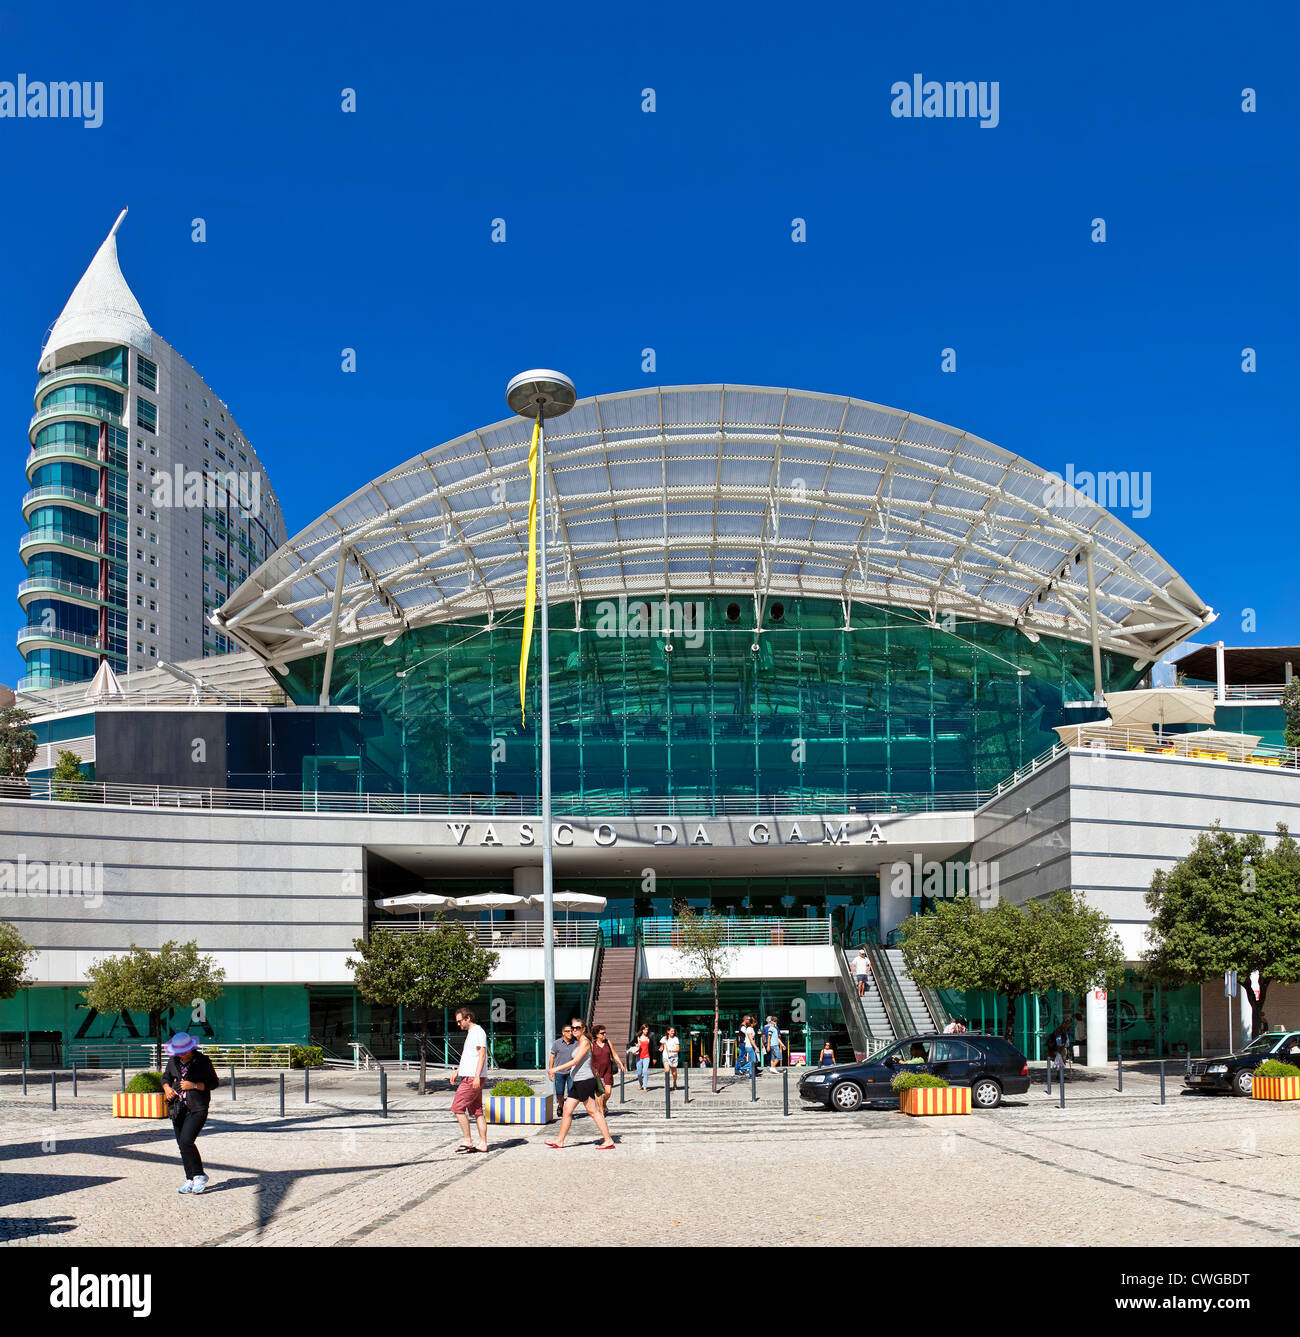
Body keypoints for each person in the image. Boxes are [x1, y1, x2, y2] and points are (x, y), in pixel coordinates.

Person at [162, 1032, 220, 1195]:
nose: (179, 1053)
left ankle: (200, 1175)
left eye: (182, 1050)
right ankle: (190, 1178)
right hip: (178, 1108)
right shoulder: (173, 1060)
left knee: (187, 1141)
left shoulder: (202, 1061)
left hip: (197, 1107)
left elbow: (213, 1083)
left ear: (190, 1048)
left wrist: (193, 1085)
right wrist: (167, 1088)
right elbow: (165, 1077)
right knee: (181, 1145)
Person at [547, 1019, 616, 1150]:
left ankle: (608, 1140)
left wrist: (555, 1069)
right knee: (567, 1110)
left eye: (577, 1028)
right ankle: (559, 1140)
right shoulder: (579, 1043)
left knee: (594, 1112)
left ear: (584, 1029)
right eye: (573, 1028)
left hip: (585, 1082)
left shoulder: (584, 1042)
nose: (574, 1030)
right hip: (578, 1082)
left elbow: (575, 1061)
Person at [450, 1006, 489, 1153]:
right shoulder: (472, 1032)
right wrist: (458, 1071)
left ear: (468, 1018)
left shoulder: (477, 1032)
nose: (458, 1024)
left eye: (460, 1021)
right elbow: (469, 1057)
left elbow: (482, 1055)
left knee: (457, 1108)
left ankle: (468, 1140)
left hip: (473, 1077)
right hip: (470, 1075)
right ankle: (483, 1143)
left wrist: (477, 1077)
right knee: (477, 1110)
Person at [590, 1023, 627, 1114]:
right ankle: (601, 1112)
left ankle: (604, 1103)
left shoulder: (608, 1042)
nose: (604, 1035)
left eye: (605, 1033)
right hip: (597, 1072)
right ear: (597, 1035)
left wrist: (620, 1064)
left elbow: (614, 1054)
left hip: (607, 1071)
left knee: (608, 1092)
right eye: (602, 1033)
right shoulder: (592, 1045)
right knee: (599, 1093)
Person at [548, 1022, 577, 1107]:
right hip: (559, 1073)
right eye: (567, 1031)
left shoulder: (576, 1043)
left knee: (571, 1093)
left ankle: (568, 1109)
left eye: (571, 1031)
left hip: (571, 1072)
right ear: (563, 1032)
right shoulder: (557, 1043)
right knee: (559, 1093)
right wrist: (551, 1071)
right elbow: (552, 1057)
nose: (570, 1033)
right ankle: (560, 1106)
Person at [634, 1024, 652, 1090]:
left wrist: (654, 1058)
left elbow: (652, 1048)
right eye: (645, 1029)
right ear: (642, 1030)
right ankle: (640, 1083)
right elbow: (631, 1044)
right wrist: (636, 1045)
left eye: (647, 1030)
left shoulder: (649, 1038)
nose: (646, 1031)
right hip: (639, 1057)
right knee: (639, 1072)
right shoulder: (637, 1037)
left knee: (645, 1071)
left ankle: (645, 1086)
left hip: (646, 1057)